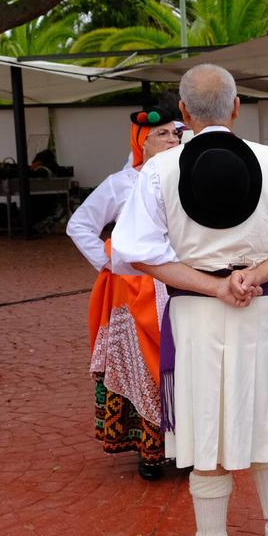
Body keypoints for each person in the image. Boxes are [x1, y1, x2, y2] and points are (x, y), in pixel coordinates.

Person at [111, 63, 268, 536]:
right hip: (262, 309)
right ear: (236, 108)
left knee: (205, 429)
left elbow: (133, 252)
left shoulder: (159, 172)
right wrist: (253, 275)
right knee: (267, 423)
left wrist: (214, 287)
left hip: (197, 315)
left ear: (184, 113)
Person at [67, 109, 181, 481]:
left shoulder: (185, 177)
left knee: (182, 366)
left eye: (174, 133)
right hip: (132, 292)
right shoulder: (121, 183)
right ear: (141, 142)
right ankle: (150, 451)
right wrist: (109, 259)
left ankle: (186, 447)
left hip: (180, 284)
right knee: (141, 369)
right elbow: (80, 224)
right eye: (161, 134)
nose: (171, 139)